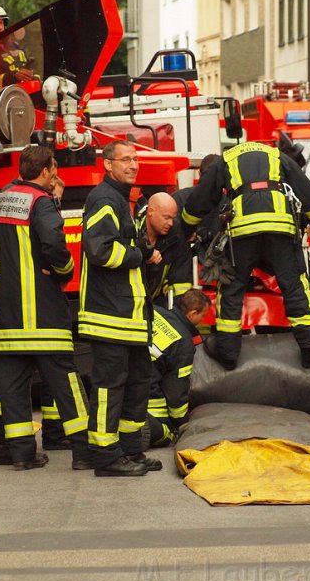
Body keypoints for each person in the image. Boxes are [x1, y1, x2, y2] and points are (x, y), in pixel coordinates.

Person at [0, 145, 89, 471]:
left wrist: (0, 280)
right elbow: (53, 244)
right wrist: (63, 272)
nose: (54, 175)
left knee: (14, 390)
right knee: (66, 386)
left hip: (9, 324)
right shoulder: (42, 203)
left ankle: (22, 455)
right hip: (45, 318)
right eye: (53, 169)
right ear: (45, 170)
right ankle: (83, 451)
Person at [181, 141, 310, 371]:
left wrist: (187, 227)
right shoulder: (279, 157)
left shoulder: (226, 160)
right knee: (293, 283)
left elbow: (201, 200)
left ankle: (228, 353)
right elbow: (307, 192)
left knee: (232, 286)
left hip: (242, 232)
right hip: (280, 230)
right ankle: (309, 347)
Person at [76, 140, 160, 477]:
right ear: (107, 164)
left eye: (136, 158)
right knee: (110, 387)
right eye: (126, 159)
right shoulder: (103, 199)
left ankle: (130, 450)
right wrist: (140, 255)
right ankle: (105, 456)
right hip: (109, 316)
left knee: (138, 382)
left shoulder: (120, 201)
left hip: (129, 318)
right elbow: (99, 250)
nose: (133, 164)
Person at [147, 289, 211, 446]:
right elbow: (176, 393)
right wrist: (182, 424)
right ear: (192, 314)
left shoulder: (155, 310)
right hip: (146, 391)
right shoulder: (183, 344)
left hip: (119, 375)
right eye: (202, 316)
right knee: (164, 435)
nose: (202, 320)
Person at [136, 192, 192, 306]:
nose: (171, 223)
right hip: (129, 303)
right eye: (166, 217)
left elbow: (181, 278)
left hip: (156, 303)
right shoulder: (132, 229)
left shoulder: (175, 235)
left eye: (173, 218)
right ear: (151, 211)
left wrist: (179, 314)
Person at [0, 5, 37, 85]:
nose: (0, 27)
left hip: (23, 91)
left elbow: (34, 71)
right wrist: (14, 76)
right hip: (4, 95)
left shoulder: (16, 46)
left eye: (1, 23)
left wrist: (33, 76)